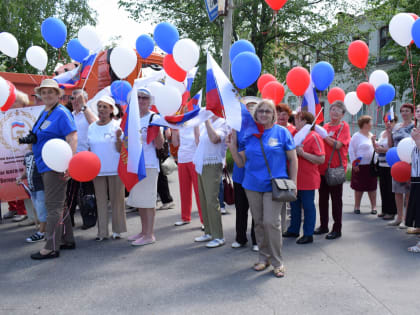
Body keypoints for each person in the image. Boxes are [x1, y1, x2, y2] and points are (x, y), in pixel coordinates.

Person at [227, 99, 297, 278]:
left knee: (271, 223)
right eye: (261, 111)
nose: (264, 114)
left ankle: (277, 261)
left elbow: (293, 159)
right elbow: (241, 163)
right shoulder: (248, 135)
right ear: (255, 114)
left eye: (267, 111)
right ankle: (263, 258)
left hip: (274, 185)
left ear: (273, 114)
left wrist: (293, 182)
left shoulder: (282, 133)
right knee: (258, 223)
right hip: (251, 185)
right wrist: (232, 148)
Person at [30, 79, 77, 260]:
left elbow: (72, 136)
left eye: (51, 92)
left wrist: (70, 162)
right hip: (45, 163)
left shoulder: (61, 113)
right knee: (60, 204)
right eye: (44, 92)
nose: (47, 95)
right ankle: (66, 238)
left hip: (56, 165)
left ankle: (51, 246)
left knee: (53, 206)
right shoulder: (46, 112)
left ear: (58, 95)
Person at [127, 88, 164, 246]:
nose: (141, 100)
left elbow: (159, 145)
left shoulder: (154, 118)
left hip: (148, 163)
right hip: (135, 164)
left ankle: (150, 234)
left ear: (150, 101)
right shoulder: (133, 117)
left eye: (145, 98)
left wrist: (157, 132)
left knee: (148, 200)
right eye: (139, 97)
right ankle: (143, 231)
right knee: (140, 200)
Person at [88, 95, 126, 241]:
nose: (101, 109)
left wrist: (117, 138)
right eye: (99, 106)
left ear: (111, 110)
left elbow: (120, 149)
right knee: (100, 201)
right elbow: (90, 149)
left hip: (115, 169)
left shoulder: (117, 126)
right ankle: (102, 232)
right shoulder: (92, 127)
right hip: (97, 170)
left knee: (117, 200)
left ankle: (118, 230)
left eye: (105, 107)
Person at [283, 111, 325, 244]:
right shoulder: (295, 135)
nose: (295, 122)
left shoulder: (314, 136)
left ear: (306, 122)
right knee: (294, 205)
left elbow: (321, 159)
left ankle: (308, 233)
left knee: (307, 207)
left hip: (308, 179)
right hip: (295, 178)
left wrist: (303, 153)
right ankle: (294, 229)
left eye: (298, 119)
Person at [192, 115, 229, 248]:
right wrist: (196, 122)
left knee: (212, 201)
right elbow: (198, 142)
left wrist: (206, 120)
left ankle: (218, 236)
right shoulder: (204, 122)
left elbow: (215, 139)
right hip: (201, 163)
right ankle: (208, 231)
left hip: (213, 163)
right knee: (203, 200)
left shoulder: (222, 122)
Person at [315, 100, 350, 240]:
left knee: (336, 200)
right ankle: (323, 225)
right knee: (322, 199)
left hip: (335, 169)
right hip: (322, 168)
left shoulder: (344, 127)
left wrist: (324, 136)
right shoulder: (325, 126)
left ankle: (337, 228)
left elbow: (338, 145)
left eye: (338, 110)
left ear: (342, 114)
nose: (334, 112)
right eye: (332, 109)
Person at [67, 89, 98, 229]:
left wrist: (83, 105)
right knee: (70, 193)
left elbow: (95, 124)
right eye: (72, 99)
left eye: (76, 98)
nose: (74, 101)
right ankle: (69, 220)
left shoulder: (88, 112)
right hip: (71, 159)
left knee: (87, 193)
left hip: (85, 159)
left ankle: (89, 220)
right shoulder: (70, 115)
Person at [231, 96, 258, 251]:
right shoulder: (237, 124)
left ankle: (256, 240)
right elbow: (233, 145)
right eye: (249, 106)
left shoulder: (261, 126)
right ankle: (240, 238)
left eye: (255, 106)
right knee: (241, 208)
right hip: (240, 172)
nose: (251, 109)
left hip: (255, 173)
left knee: (256, 208)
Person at [387, 103, 414, 228]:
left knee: (408, 192)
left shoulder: (414, 126)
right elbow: (391, 144)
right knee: (397, 191)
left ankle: (407, 219)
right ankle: (399, 217)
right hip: (396, 162)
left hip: (409, 162)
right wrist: (388, 132)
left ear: (412, 112)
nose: (404, 113)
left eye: (407, 111)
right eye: (402, 111)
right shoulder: (396, 126)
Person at [171, 127, 203, 227]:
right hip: (182, 159)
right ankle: (185, 217)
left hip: (194, 158)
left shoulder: (197, 120)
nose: (184, 110)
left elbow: (199, 142)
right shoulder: (179, 122)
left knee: (199, 191)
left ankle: (204, 220)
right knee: (184, 190)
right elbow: (175, 144)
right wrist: (174, 130)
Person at [16, 149, 47, 243]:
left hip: (41, 186)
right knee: (38, 209)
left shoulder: (42, 151)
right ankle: (44, 230)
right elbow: (27, 172)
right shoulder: (27, 155)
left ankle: (42, 232)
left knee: (42, 210)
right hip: (32, 187)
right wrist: (21, 177)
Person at [349, 115, 377, 214]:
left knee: (372, 187)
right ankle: (357, 206)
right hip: (360, 165)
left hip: (371, 165)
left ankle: (374, 207)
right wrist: (354, 164)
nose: (372, 124)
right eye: (370, 122)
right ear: (365, 124)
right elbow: (351, 150)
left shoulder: (370, 134)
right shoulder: (356, 136)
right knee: (359, 187)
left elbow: (374, 149)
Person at [372, 114, 397, 220]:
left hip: (390, 165)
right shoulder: (382, 133)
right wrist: (373, 142)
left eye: (391, 121)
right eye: (386, 121)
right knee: (383, 188)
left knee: (390, 189)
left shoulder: (395, 133)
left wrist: (384, 150)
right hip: (382, 164)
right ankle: (384, 210)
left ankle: (391, 212)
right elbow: (377, 149)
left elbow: (394, 149)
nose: (388, 123)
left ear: (395, 122)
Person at [406, 105, 420, 248]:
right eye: (417, 110)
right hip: (416, 173)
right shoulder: (417, 128)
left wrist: (416, 140)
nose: (418, 112)